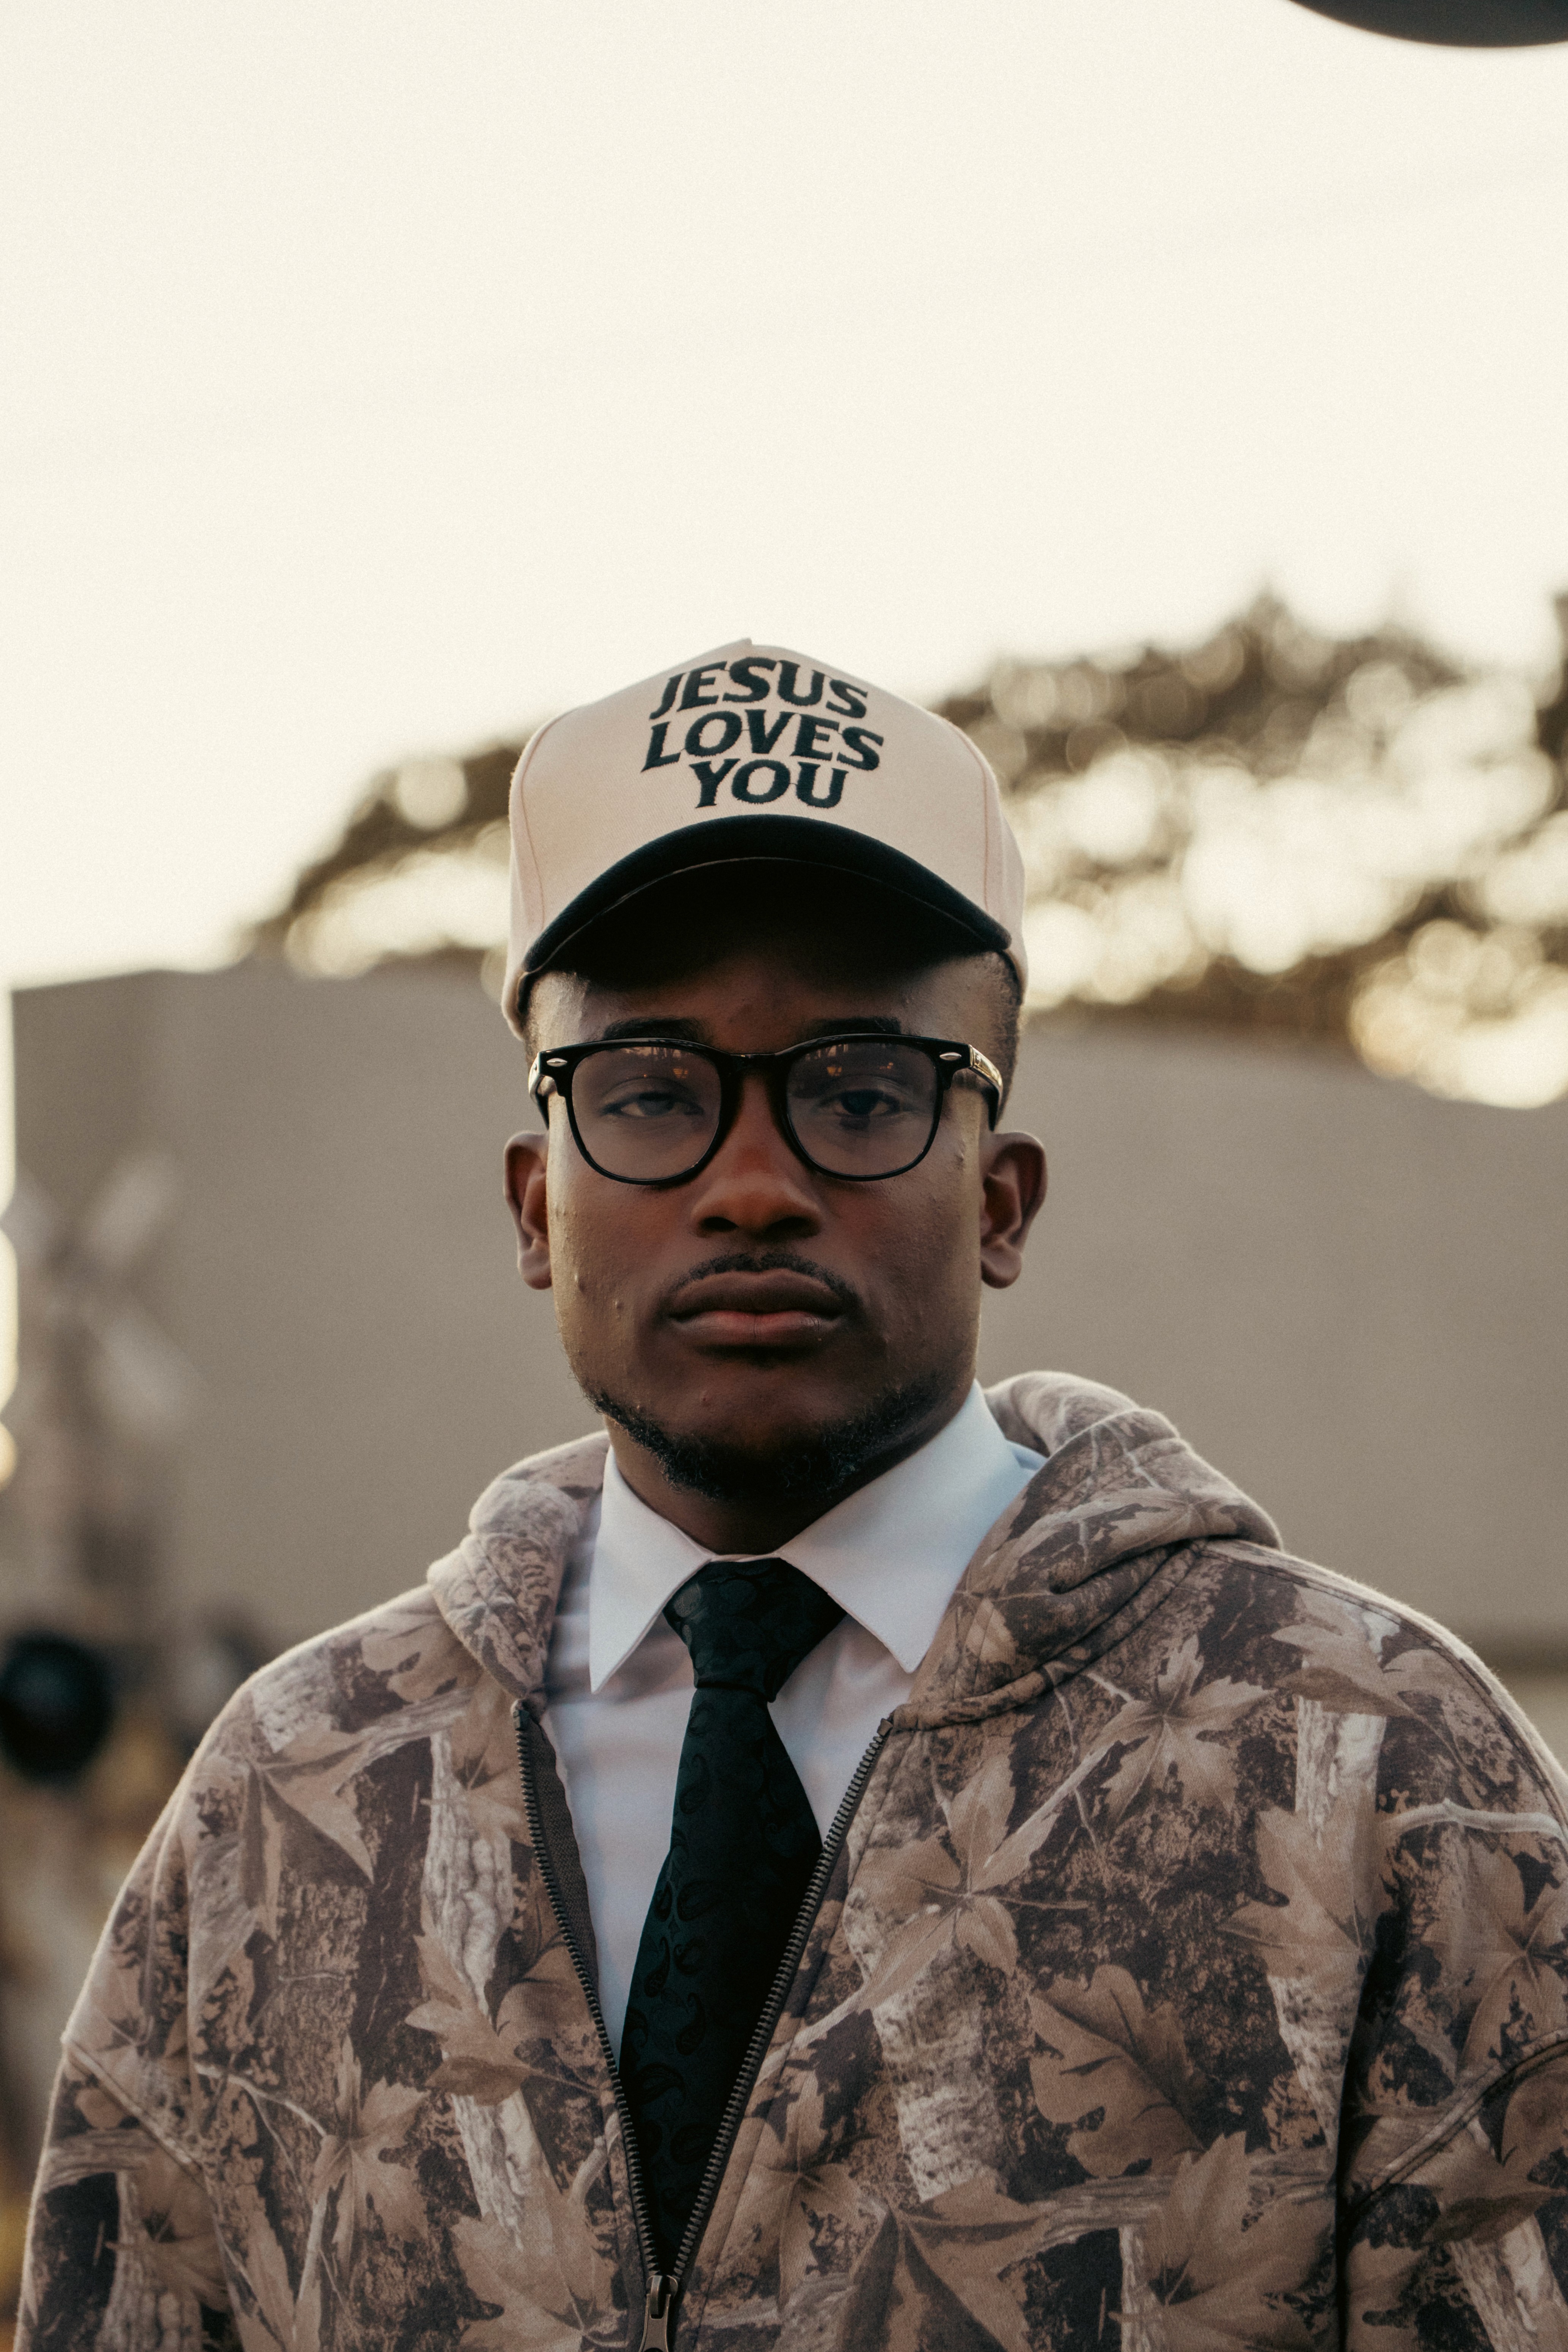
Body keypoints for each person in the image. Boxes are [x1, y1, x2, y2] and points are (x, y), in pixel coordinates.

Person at [19, 641, 1568, 2352]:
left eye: (862, 1090)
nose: (753, 1184)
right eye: (649, 1091)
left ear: (1003, 1200)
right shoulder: (288, 1799)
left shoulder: (1383, 1774)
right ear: (536, 1208)